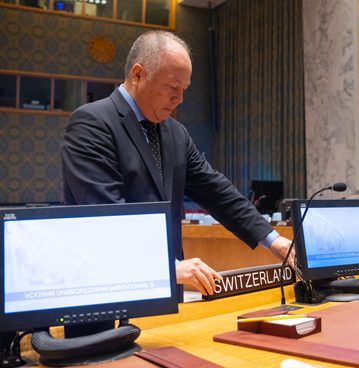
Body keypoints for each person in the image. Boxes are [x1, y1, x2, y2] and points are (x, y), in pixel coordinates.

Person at [61, 31, 294, 298]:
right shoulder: (92, 123)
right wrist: (169, 268)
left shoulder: (176, 133)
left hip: (166, 294)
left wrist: (276, 241)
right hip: (107, 293)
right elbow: (106, 216)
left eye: (184, 89)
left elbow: (215, 190)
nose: (179, 99)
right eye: (172, 87)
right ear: (138, 75)